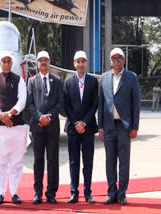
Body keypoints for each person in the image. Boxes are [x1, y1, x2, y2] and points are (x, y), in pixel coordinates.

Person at [0, 50, 29, 205]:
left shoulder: (19, 80)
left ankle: (15, 192)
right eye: (3, 61)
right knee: (0, 162)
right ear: (0, 63)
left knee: (17, 162)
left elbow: (22, 100)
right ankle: (1, 192)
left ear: (12, 63)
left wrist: (9, 114)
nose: (6, 64)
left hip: (15, 127)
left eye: (8, 61)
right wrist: (1, 115)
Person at [98, 48, 140, 206]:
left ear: (124, 60)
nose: (116, 61)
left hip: (124, 126)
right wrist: (100, 126)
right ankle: (111, 193)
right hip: (108, 126)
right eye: (113, 58)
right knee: (110, 161)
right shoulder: (104, 78)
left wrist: (135, 126)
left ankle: (122, 194)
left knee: (123, 161)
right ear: (110, 61)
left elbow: (136, 104)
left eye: (119, 58)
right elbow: (101, 104)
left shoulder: (131, 77)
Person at [27, 50, 63, 204]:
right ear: (37, 64)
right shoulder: (32, 81)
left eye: (45, 60)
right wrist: (39, 117)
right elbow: (30, 103)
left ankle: (51, 193)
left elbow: (60, 102)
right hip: (37, 127)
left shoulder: (57, 81)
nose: (43, 62)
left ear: (49, 63)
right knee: (38, 160)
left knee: (53, 160)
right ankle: (38, 193)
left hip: (52, 126)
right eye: (40, 60)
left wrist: (49, 117)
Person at [63, 51, 97, 204]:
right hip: (72, 128)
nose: (81, 64)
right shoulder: (68, 82)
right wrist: (76, 122)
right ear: (74, 63)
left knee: (88, 162)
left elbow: (95, 104)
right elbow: (66, 105)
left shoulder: (93, 81)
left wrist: (84, 122)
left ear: (86, 63)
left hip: (88, 128)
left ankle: (88, 192)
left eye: (83, 61)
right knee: (73, 162)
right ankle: (73, 192)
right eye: (78, 61)